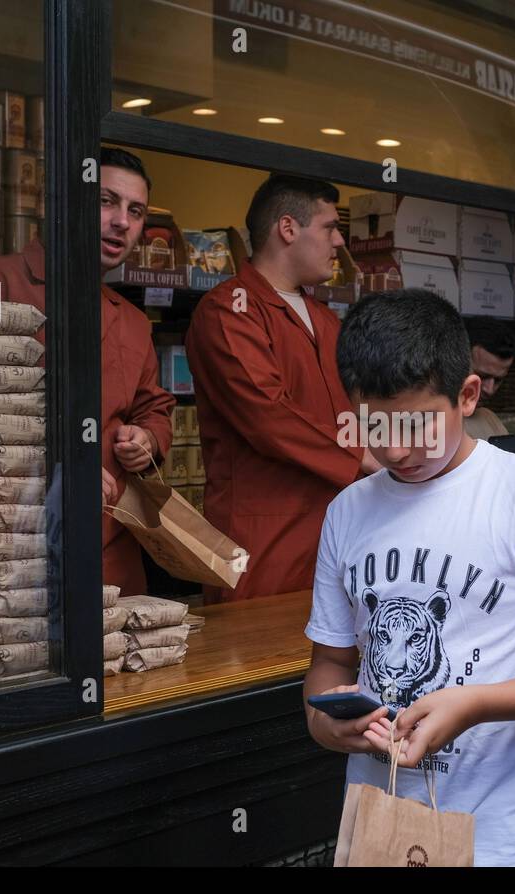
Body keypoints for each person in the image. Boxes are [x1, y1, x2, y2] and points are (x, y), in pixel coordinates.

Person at [304, 288, 515, 866]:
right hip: (379, 823)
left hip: (500, 831)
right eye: (375, 428)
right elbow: (330, 664)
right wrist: (327, 726)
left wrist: (473, 704)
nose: (397, 452)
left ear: (468, 395)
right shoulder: (348, 511)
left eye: (418, 427)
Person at [0, 146, 175, 595]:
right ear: (56, 202)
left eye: (135, 211)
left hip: (111, 553)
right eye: (105, 201)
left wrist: (147, 438)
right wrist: (57, 463)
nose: (122, 221)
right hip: (8, 545)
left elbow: (154, 408)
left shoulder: (132, 321)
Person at [186, 174, 373, 603]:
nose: (339, 241)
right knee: (256, 662)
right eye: (328, 227)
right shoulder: (229, 311)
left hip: (338, 532)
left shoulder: (326, 321)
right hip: (260, 540)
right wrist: (362, 456)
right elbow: (265, 413)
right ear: (288, 228)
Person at [461, 316, 515, 440]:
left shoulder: (490, 420)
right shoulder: (426, 422)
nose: (489, 389)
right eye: (482, 376)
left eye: (498, 380)